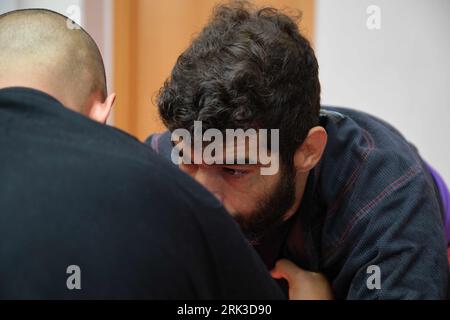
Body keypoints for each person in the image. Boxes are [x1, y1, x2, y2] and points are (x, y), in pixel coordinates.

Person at [147, 1, 450, 299]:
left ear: (308, 151)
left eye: (234, 170)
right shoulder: (166, 159)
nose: (202, 194)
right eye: (187, 159)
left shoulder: (387, 204)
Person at [0, 9, 284, 299]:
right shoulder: (163, 191)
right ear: (101, 112)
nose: (208, 187)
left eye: (234, 168)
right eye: (186, 160)